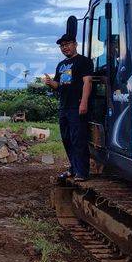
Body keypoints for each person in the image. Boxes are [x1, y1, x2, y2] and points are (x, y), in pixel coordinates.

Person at [44, 33, 93, 182]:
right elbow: (59, 85)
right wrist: (51, 83)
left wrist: (84, 102)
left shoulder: (83, 61)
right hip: (64, 106)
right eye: (62, 46)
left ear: (75, 44)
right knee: (66, 138)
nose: (65, 48)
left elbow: (87, 82)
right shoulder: (61, 65)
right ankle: (73, 168)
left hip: (76, 106)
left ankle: (82, 172)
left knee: (78, 139)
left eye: (67, 44)